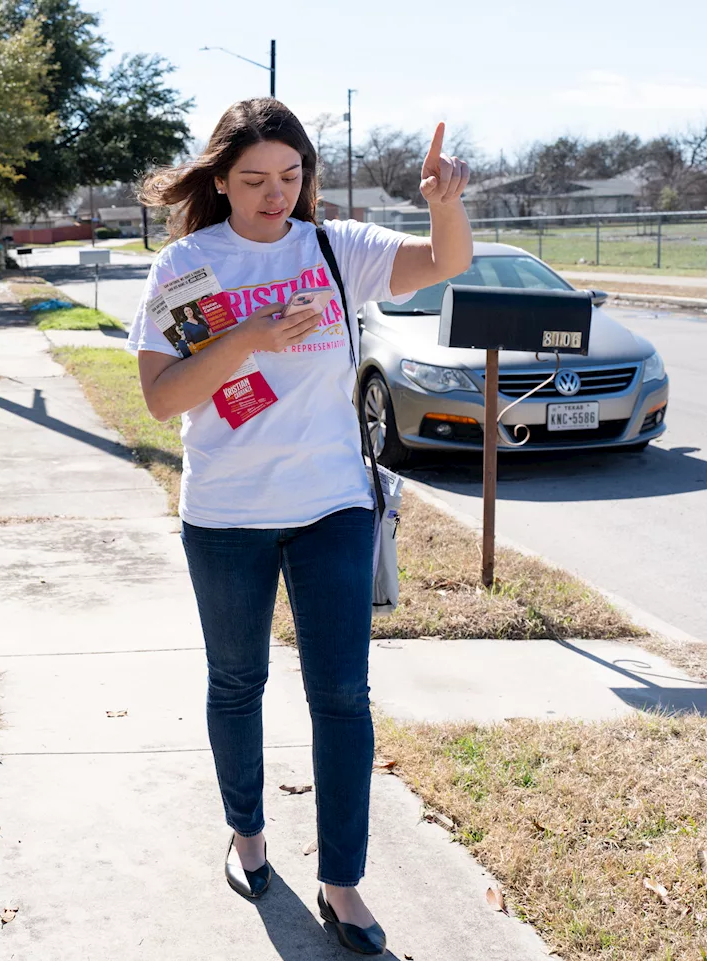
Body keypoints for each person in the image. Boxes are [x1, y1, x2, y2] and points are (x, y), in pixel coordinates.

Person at [127, 98, 471, 955]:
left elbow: (446, 261)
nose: (275, 195)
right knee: (237, 685)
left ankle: (342, 881)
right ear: (219, 179)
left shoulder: (334, 247)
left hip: (333, 508)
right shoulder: (185, 263)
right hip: (227, 513)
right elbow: (165, 396)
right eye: (254, 180)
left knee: (342, 697)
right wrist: (247, 335)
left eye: (290, 177)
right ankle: (248, 837)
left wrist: (443, 203)